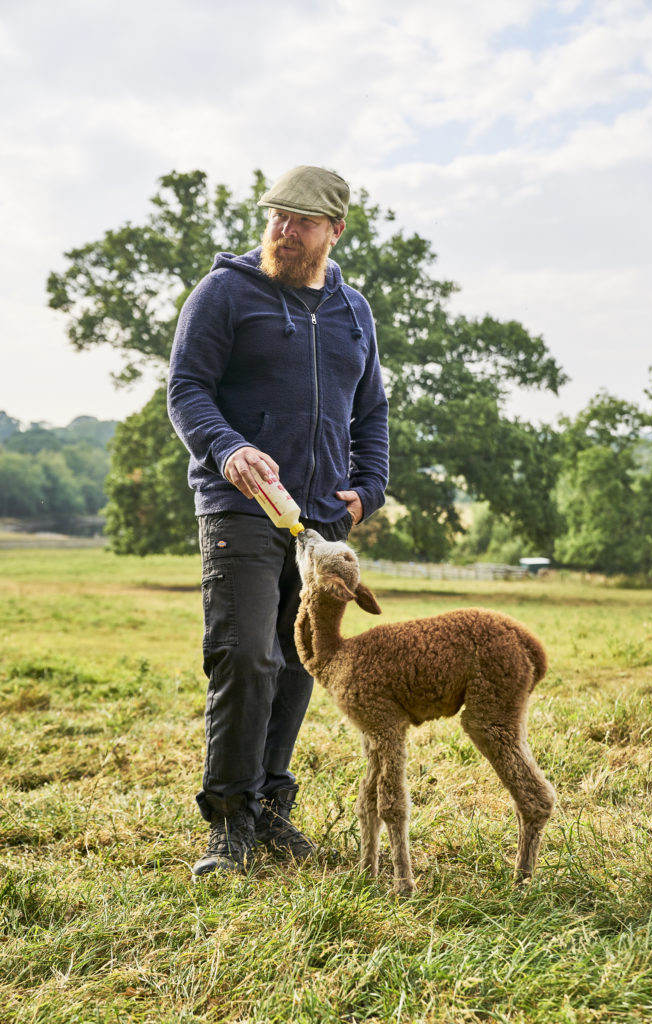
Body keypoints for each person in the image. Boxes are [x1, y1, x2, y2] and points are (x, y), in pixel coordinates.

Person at [167, 165, 389, 877]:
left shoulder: (353, 311)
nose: (284, 231)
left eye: (301, 221)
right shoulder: (227, 292)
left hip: (321, 521)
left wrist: (368, 488)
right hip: (238, 503)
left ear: (335, 230)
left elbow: (371, 410)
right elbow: (186, 388)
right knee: (245, 654)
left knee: (299, 660)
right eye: (276, 217)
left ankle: (269, 810)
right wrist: (227, 448)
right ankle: (227, 822)